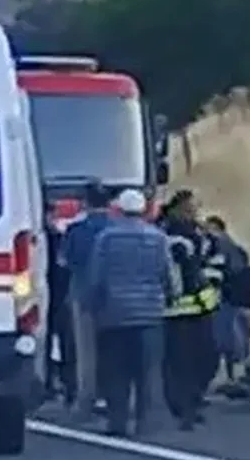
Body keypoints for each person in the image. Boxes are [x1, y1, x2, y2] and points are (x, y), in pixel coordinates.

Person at [84, 188, 174, 437]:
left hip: (114, 315)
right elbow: (168, 274)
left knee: (116, 372)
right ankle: (144, 423)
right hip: (150, 314)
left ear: (119, 210)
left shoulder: (107, 238)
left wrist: (92, 305)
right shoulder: (158, 238)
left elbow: (96, 276)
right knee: (146, 372)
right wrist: (169, 298)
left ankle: (118, 422)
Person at [160, 192, 220, 429]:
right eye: (188, 208)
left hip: (202, 308)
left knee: (207, 358)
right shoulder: (167, 236)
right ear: (176, 210)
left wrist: (212, 285)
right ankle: (182, 407)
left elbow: (216, 261)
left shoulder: (202, 235)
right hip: (175, 311)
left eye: (194, 208)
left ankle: (192, 400)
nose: (193, 212)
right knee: (179, 362)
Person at [63, 181, 113, 416]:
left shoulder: (76, 230)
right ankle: (112, 395)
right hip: (114, 298)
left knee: (86, 351)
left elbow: (64, 261)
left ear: (85, 202)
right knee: (112, 348)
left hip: (83, 294)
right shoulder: (116, 229)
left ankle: (87, 399)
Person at [203, 213, 250, 386]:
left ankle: (231, 377)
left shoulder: (219, 247)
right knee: (234, 336)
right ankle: (234, 376)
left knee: (226, 337)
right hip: (235, 298)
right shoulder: (237, 249)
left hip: (225, 298)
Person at [43, 211, 76, 408]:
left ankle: (52, 382)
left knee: (52, 341)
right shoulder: (58, 238)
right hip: (60, 294)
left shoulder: (44, 238)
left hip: (49, 294)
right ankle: (66, 384)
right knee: (67, 343)